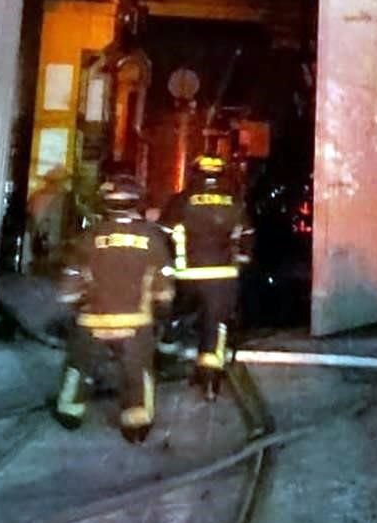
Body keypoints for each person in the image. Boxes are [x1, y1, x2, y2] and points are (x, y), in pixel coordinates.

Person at [53, 174, 174, 443]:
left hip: (92, 321)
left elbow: (71, 281)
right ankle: (136, 422)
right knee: (137, 372)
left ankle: (70, 411)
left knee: (79, 366)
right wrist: (163, 304)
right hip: (135, 323)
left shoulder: (89, 237)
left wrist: (73, 303)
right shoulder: (151, 238)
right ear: (136, 202)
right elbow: (163, 281)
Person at [160, 155, 253, 400]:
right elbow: (246, 235)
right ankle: (210, 381)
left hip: (186, 274)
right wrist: (241, 261)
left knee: (176, 313)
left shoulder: (181, 200)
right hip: (222, 276)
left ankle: (165, 351)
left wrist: (166, 266)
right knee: (216, 325)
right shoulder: (234, 202)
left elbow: (164, 234)